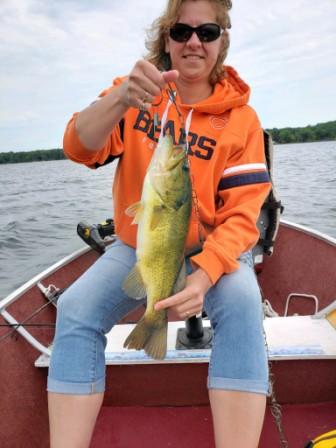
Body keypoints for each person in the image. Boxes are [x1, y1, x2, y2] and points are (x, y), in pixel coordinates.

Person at [48, 0, 271, 447]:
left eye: (207, 32)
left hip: (213, 252)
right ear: (164, 38)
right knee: (74, 310)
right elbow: (78, 146)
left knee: (244, 304)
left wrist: (206, 274)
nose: (193, 42)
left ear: (221, 40)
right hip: (141, 245)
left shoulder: (241, 120)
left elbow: (244, 214)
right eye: (181, 31)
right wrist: (118, 97)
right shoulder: (133, 93)